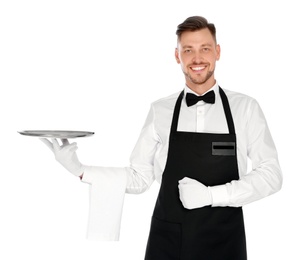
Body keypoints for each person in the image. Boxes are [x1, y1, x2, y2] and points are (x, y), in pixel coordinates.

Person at [41, 16, 283, 260]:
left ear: (217, 52)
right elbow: (139, 177)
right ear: (177, 56)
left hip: (225, 241)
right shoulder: (160, 110)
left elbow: (271, 175)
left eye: (205, 49)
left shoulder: (246, 108)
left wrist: (212, 195)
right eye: (188, 50)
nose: (197, 58)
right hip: (168, 242)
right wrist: (80, 170)